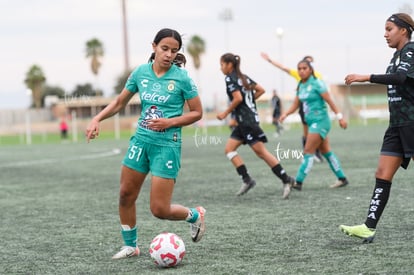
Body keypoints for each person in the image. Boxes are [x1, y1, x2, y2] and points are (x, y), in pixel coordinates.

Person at [85, 28, 206, 259]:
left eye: (174, 50)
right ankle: (131, 246)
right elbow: (120, 103)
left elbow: (197, 112)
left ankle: (195, 215)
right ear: (154, 46)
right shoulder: (140, 72)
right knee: (125, 194)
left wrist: (169, 122)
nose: (169, 54)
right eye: (164, 49)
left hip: (166, 145)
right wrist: (97, 118)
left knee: (159, 209)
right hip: (140, 141)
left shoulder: (182, 78)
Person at [340, 13, 414, 243]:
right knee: (382, 174)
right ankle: (368, 227)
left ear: (404, 30)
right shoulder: (395, 56)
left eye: (389, 29)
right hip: (396, 126)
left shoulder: (411, 52)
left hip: (412, 124)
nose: (385, 34)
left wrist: (366, 77)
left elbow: (401, 78)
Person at [217, 53, 295, 199]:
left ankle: (286, 179)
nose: (220, 68)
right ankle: (247, 180)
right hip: (245, 121)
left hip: (247, 122)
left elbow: (238, 98)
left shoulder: (230, 78)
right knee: (229, 149)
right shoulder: (243, 77)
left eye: (221, 64)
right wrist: (249, 104)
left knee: (262, 153)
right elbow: (261, 90)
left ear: (229, 65)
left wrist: (226, 113)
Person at [279, 59, 349, 191]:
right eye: (299, 69)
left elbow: (330, 101)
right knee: (326, 151)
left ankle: (298, 182)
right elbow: (295, 104)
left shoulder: (317, 84)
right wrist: (285, 114)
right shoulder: (301, 85)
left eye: (304, 68)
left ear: (311, 70)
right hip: (311, 122)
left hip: (320, 122)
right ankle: (342, 178)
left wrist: (340, 118)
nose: (301, 71)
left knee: (308, 151)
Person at [261, 52, 324, 162]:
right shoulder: (298, 74)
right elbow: (283, 68)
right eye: (306, 62)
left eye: (310, 63)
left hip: (316, 108)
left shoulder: (318, 76)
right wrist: (270, 60)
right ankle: (308, 154)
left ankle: (318, 153)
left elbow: (323, 93)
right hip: (304, 107)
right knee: (306, 132)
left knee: (317, 132)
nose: (304, 69)